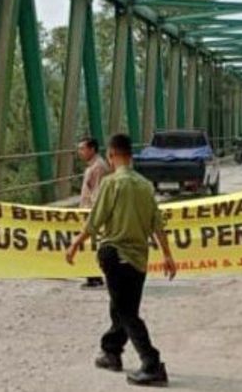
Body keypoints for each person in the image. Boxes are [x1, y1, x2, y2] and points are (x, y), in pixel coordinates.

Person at [66, 133, 176, 387]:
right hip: (139, 258)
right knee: (123, 306)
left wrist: (75, 243)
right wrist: (168, 256)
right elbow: (157, 225)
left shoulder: (111, 184)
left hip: (115, 253)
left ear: (111, 155)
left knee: (125, 311)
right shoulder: (145, 186)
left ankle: (151, 363)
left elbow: (96, 220)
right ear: (131, 155)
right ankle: (111, 352)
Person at [77, 136, 112, 290]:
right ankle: (93, 276)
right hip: (88, 212)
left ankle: (95, 277)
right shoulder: (93, 166)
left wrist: (93, 216)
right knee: (91, 246)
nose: (80, 152)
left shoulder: (98, 167)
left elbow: (97, 195)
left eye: (82, 148)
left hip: (92, 213)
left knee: (94, 246)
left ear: (92, 149)